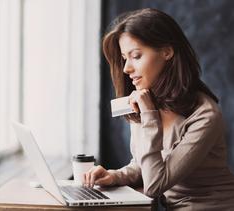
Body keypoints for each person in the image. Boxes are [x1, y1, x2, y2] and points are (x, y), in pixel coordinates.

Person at [84, 8, 234, 210]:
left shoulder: (205, 115)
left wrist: (149, 115)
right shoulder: (148, 100)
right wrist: (115, 176)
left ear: (167, 52)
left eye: (136, 56)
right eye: (124, 58)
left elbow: (155, 184)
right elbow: (145, 165)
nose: (126, 68)